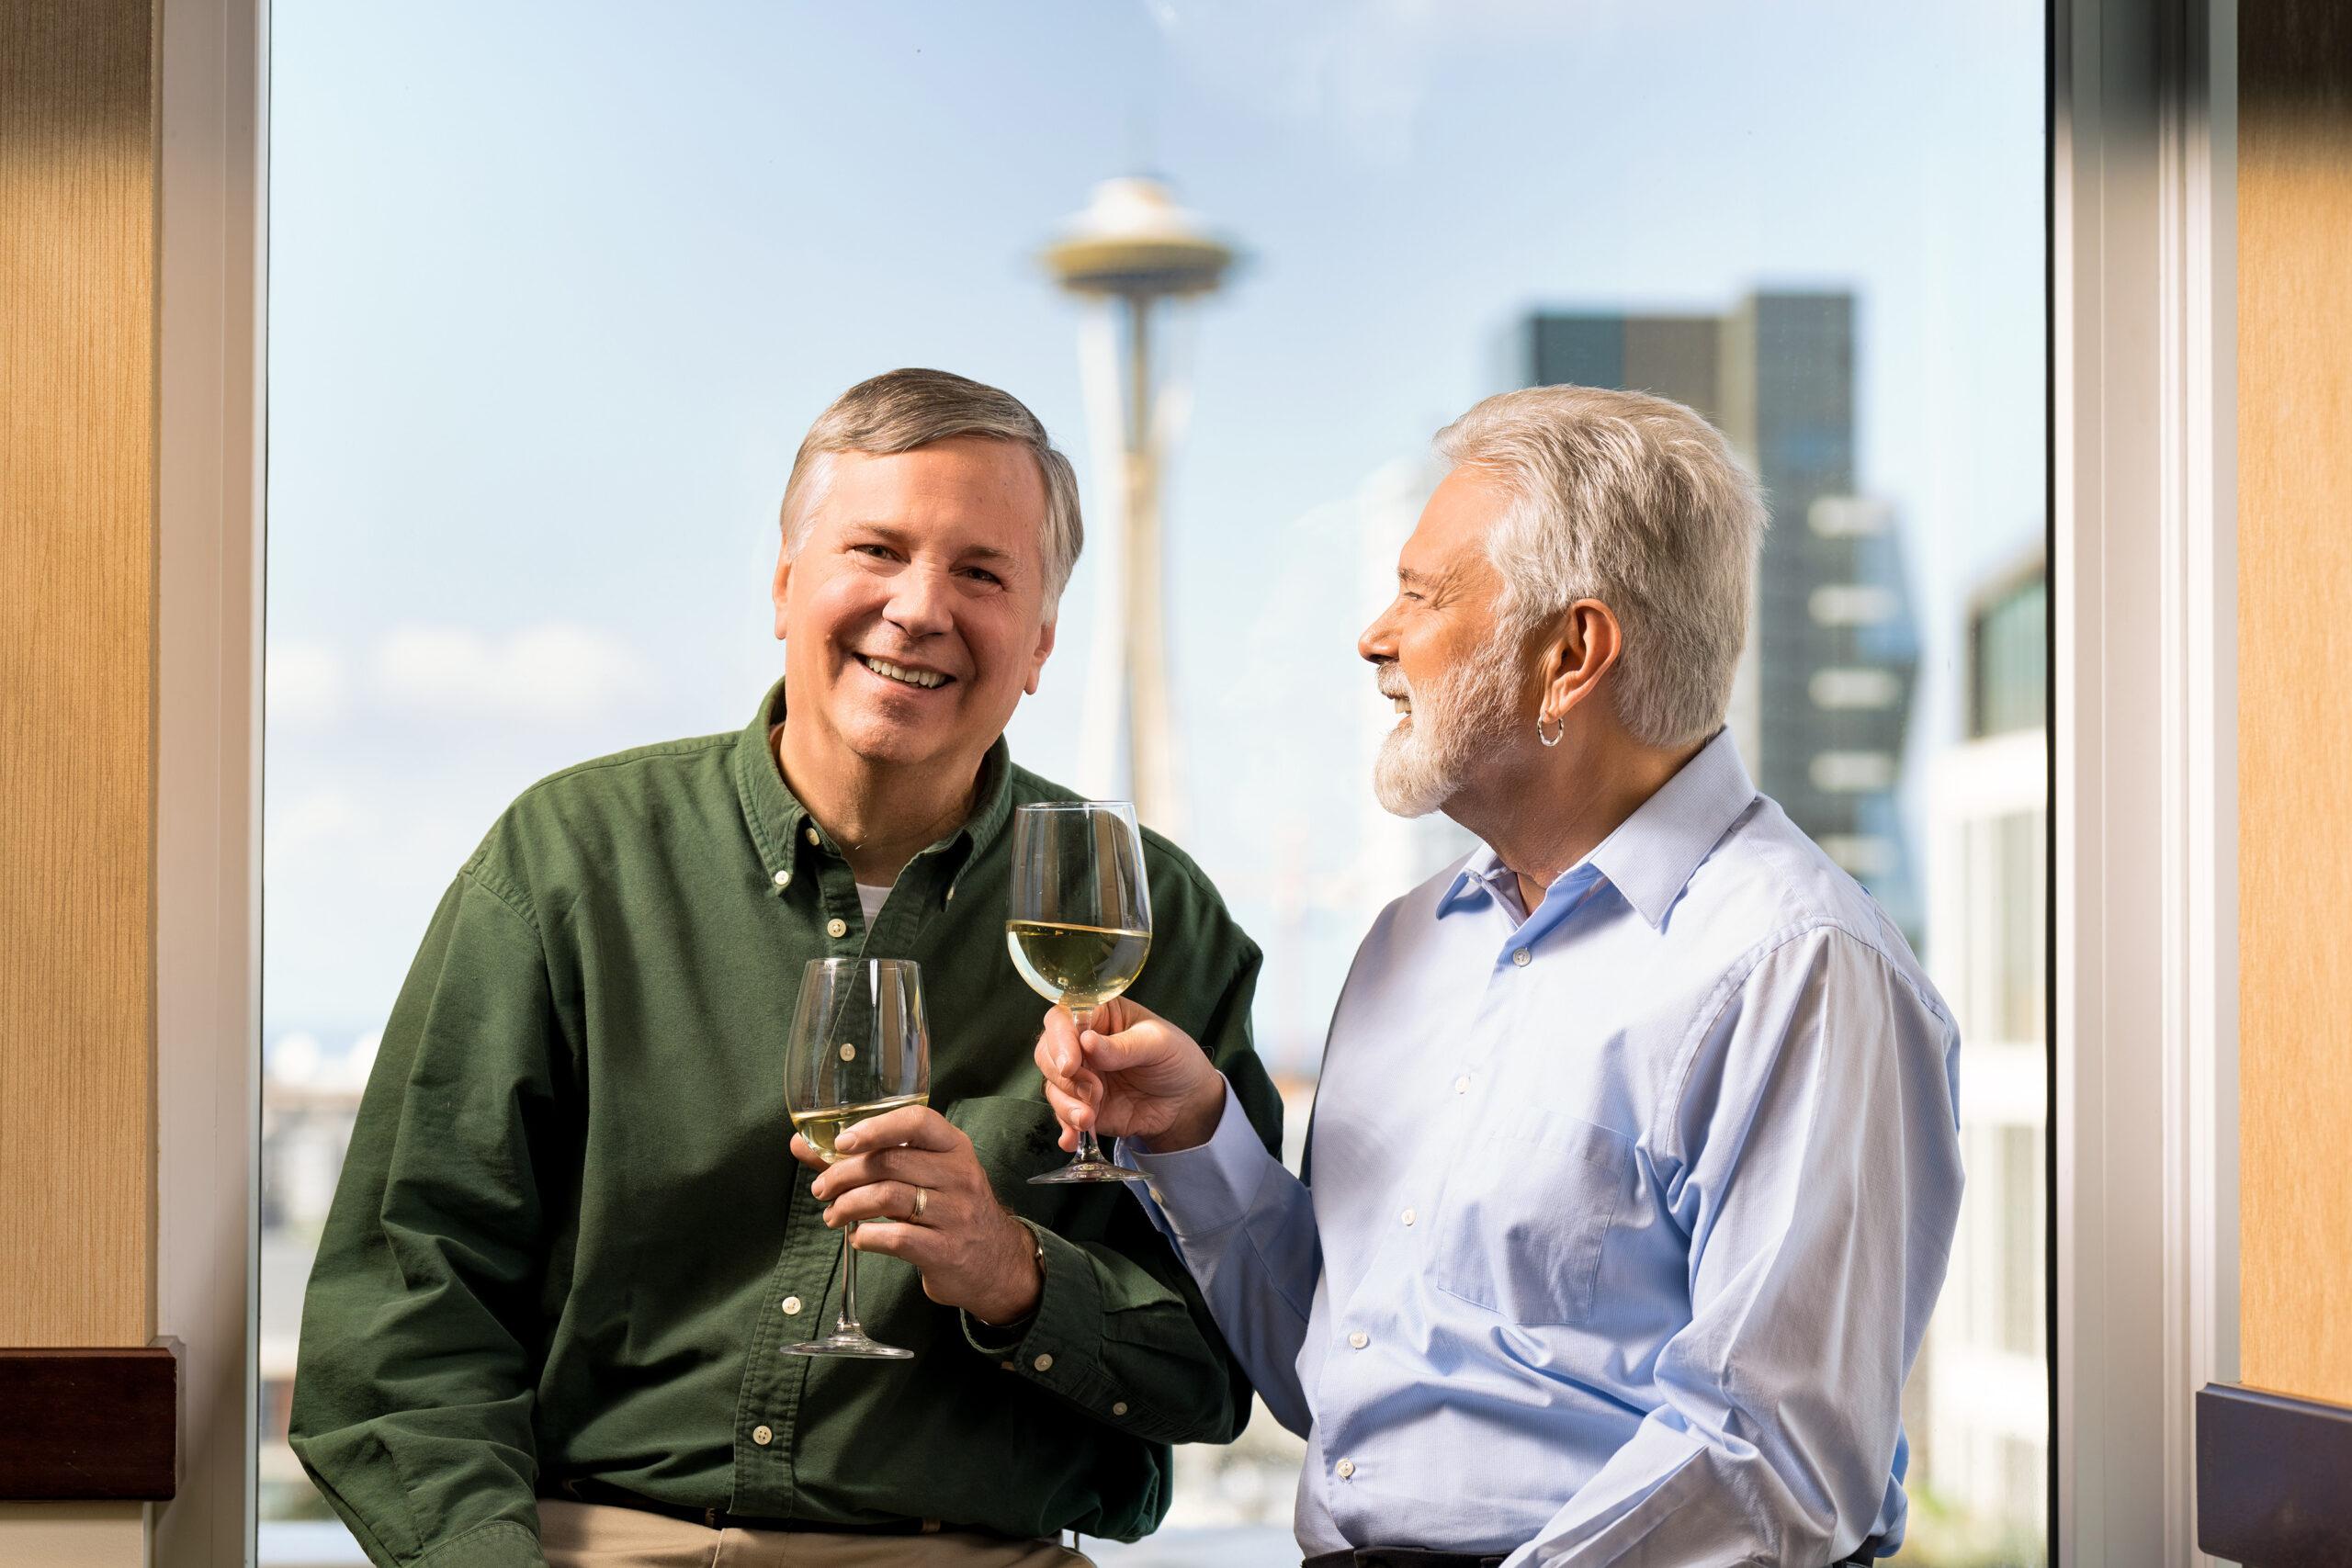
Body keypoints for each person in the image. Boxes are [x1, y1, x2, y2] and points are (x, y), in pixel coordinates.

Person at [292, 368, 1282, 1568]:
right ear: (781, 586)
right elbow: (406, 1317)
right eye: (876, 549)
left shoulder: (1152, 914)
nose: (920, 609)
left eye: (982, 573)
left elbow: (1222, 1374)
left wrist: (1015, 1275)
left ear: (1041, 644)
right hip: (592, 1548)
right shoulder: (567, 859)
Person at [1038, 385, 1965, 1568]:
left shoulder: (1798, 970)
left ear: (1570, 654)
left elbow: (1775, 1466)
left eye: (1421, 596)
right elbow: (1349, 1383)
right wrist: (1193, 1135)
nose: (1374, 635)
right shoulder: (1407, 946)